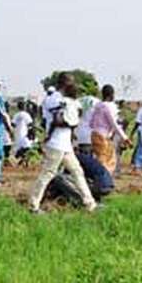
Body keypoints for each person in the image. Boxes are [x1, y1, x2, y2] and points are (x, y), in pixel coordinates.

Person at [29, 73, 97, 215]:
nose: (73, 84)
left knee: (77, 172)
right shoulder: (55, 99)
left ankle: (90, 204)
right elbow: (58, 120)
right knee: (47, 174)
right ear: (64, 83)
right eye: (71, 82)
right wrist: (71, 122)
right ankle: (33, 205)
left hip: (65, 144)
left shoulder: (65, 100)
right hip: (56, 143)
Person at [89, 85, 131, 175]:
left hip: (94, 134)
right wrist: (125, 138)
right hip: (103, 136)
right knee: (108, 160)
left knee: (101, 158)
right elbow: (114, 124)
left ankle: (99, 177)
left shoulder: (97, 105)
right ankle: (103, 179)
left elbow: (91, 122)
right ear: (110, 95)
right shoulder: (109, 106)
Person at [11, 101, 34, 165]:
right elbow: (30, 124)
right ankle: (19, 159)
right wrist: (31, 133)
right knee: (26, 147)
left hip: (18, 134)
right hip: (24, 134)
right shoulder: (26, 114)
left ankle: (22, 160)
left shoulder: (16, 114)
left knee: (21, 147)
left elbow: (12, 124)